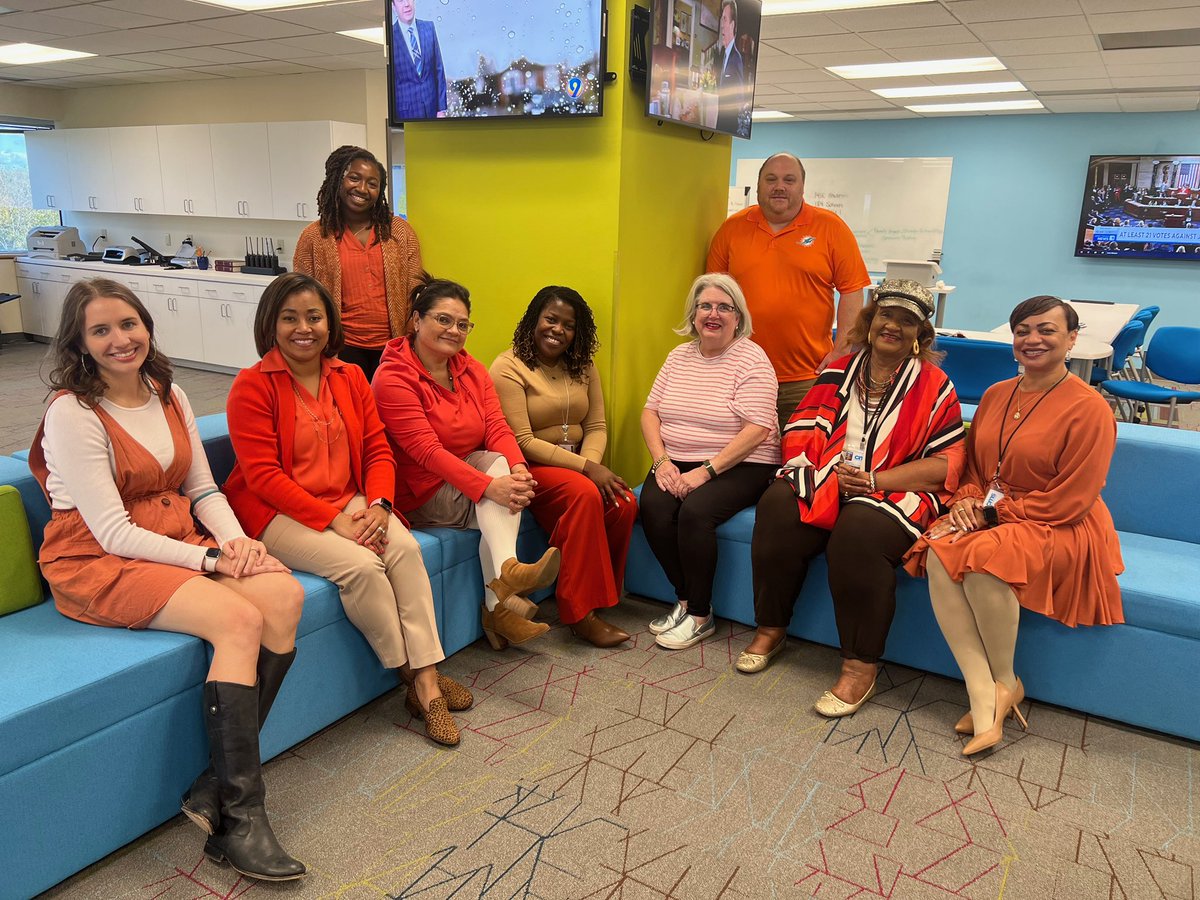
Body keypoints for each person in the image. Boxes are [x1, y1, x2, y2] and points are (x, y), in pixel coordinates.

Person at [29, 278, 306, 881]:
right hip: (95, 558)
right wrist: (212, 563)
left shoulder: (168, 391)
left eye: (128, 324)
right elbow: (111, 533)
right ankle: (242, 820)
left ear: (146, 326)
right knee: (239, 618)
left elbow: (201, 488)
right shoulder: (73, 412)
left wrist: (236, 543)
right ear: (79, 341)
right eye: (100, 330)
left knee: (283, 596)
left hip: (172, 536)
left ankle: (213, 786)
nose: (119, 339)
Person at [222, 273, 471, 747]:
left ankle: (427, 678)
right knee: (361, 566)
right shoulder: (252, 386)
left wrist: (379, 505)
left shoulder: (350, 375)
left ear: (329, 322)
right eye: (290, 318)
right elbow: (263, 478)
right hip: (276, 512)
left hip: (351, 498)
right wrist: (333, 520)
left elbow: (378, 448)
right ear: (270, 325)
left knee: (404, 548)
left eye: (314, 316)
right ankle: (414, 681)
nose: (304, 328)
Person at [906, 295, 1124, 756]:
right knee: (940, 548)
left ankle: (1005, 681)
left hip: (1061, 521)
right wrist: (966, 504)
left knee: (984, 559)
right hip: (994, 511)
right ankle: (986, 689)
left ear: (1071, 339)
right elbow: (975, 472)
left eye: (1046, 330)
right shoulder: (995, 394)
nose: (1032, 339)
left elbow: (1073, 498)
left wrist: (990, 515)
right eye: (1023, 330)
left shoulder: (1089, 408)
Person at [743, 280, 966, 717]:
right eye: (886, 316)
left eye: (907, 321)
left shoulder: (935, 385)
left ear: (921, 334)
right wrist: (827, 477)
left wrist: (875, 480)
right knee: (777, 504)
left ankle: (860, 663)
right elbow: (801, 433)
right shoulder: (837, 370)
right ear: (870, 320)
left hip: (895, 488)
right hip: (830, 477)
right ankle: (772, 626)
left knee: (859, 532)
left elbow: (945, 463)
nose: (893, 327)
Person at [372, 276, 555, 651]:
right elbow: (426, 452)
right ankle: (505, 586)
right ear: (416, 320)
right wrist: (490, 486)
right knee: (495, 483)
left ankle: (499, 598)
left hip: (469, 475)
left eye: (462, 324)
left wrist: (519, 471)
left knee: (501, 470)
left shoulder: (469, 368)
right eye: (443, 320)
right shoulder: (392, 378)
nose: (453, 331)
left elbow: (496, 425)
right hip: (420, 488)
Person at [490, 287, 637, 648]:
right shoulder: (508, 366)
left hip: (576, 466)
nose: (557, 330)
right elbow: (521, 439)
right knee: (586, 494)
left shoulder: (583, 366)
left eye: (568, 325)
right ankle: (579, 613)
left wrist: (592, 466)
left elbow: (598, 427)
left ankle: (601, 596)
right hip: (530, 466)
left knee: (623, 502)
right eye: (550, 320)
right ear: (534, 320)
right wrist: (587, 469)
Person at [641, 273, 780, 650]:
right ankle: (685, 600)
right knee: (653, 505)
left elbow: (758, 430)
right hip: (679, 460)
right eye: (705, 306)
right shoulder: (678, 356)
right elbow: (650, 413)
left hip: (744, 464)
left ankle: (701, 616)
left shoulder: (751, 358)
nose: (713, 314)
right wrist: (661, 462)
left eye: (724, 307)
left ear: (738, 317)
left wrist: (707, 471)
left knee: (695, 511)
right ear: (694, 313)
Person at [707, 153, 873, 433]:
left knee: (798, 459)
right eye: (770, 179)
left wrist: (842, 350)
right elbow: (714, 297)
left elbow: (853, 290)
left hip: (806, 378)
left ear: (802, 187)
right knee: (739, 460)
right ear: (758, 186)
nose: (779, 186)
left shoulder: (831, 227)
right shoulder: (732, 229)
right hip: (741, 372)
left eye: (789, 180)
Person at [293, 145, 422, 382]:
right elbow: (300, 297)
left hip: (394, 347)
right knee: (348, 412)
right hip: (340, 346)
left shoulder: (400, 232)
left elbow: (415, 289)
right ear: (339, 179)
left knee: (388, 411)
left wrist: (412, 339)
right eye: (355, 178)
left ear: (380, 190)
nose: (362, 189)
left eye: (372, 184)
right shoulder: (314, 237)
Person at [391, 0, 447, 120]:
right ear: (393, 6)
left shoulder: (429, 28)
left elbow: (439, 70)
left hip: (433, 110)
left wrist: (441, 109)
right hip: (406, 114)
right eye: (400, 1)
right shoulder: (390, 37)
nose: (406, 4)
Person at [714, 0, 746, 137]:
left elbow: (739, 98)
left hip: (727, 124)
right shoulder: (723, 55)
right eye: (721, 19)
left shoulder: (736, 59)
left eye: (725, 19)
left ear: (732, 25)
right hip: (718, 121)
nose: (721, 25)